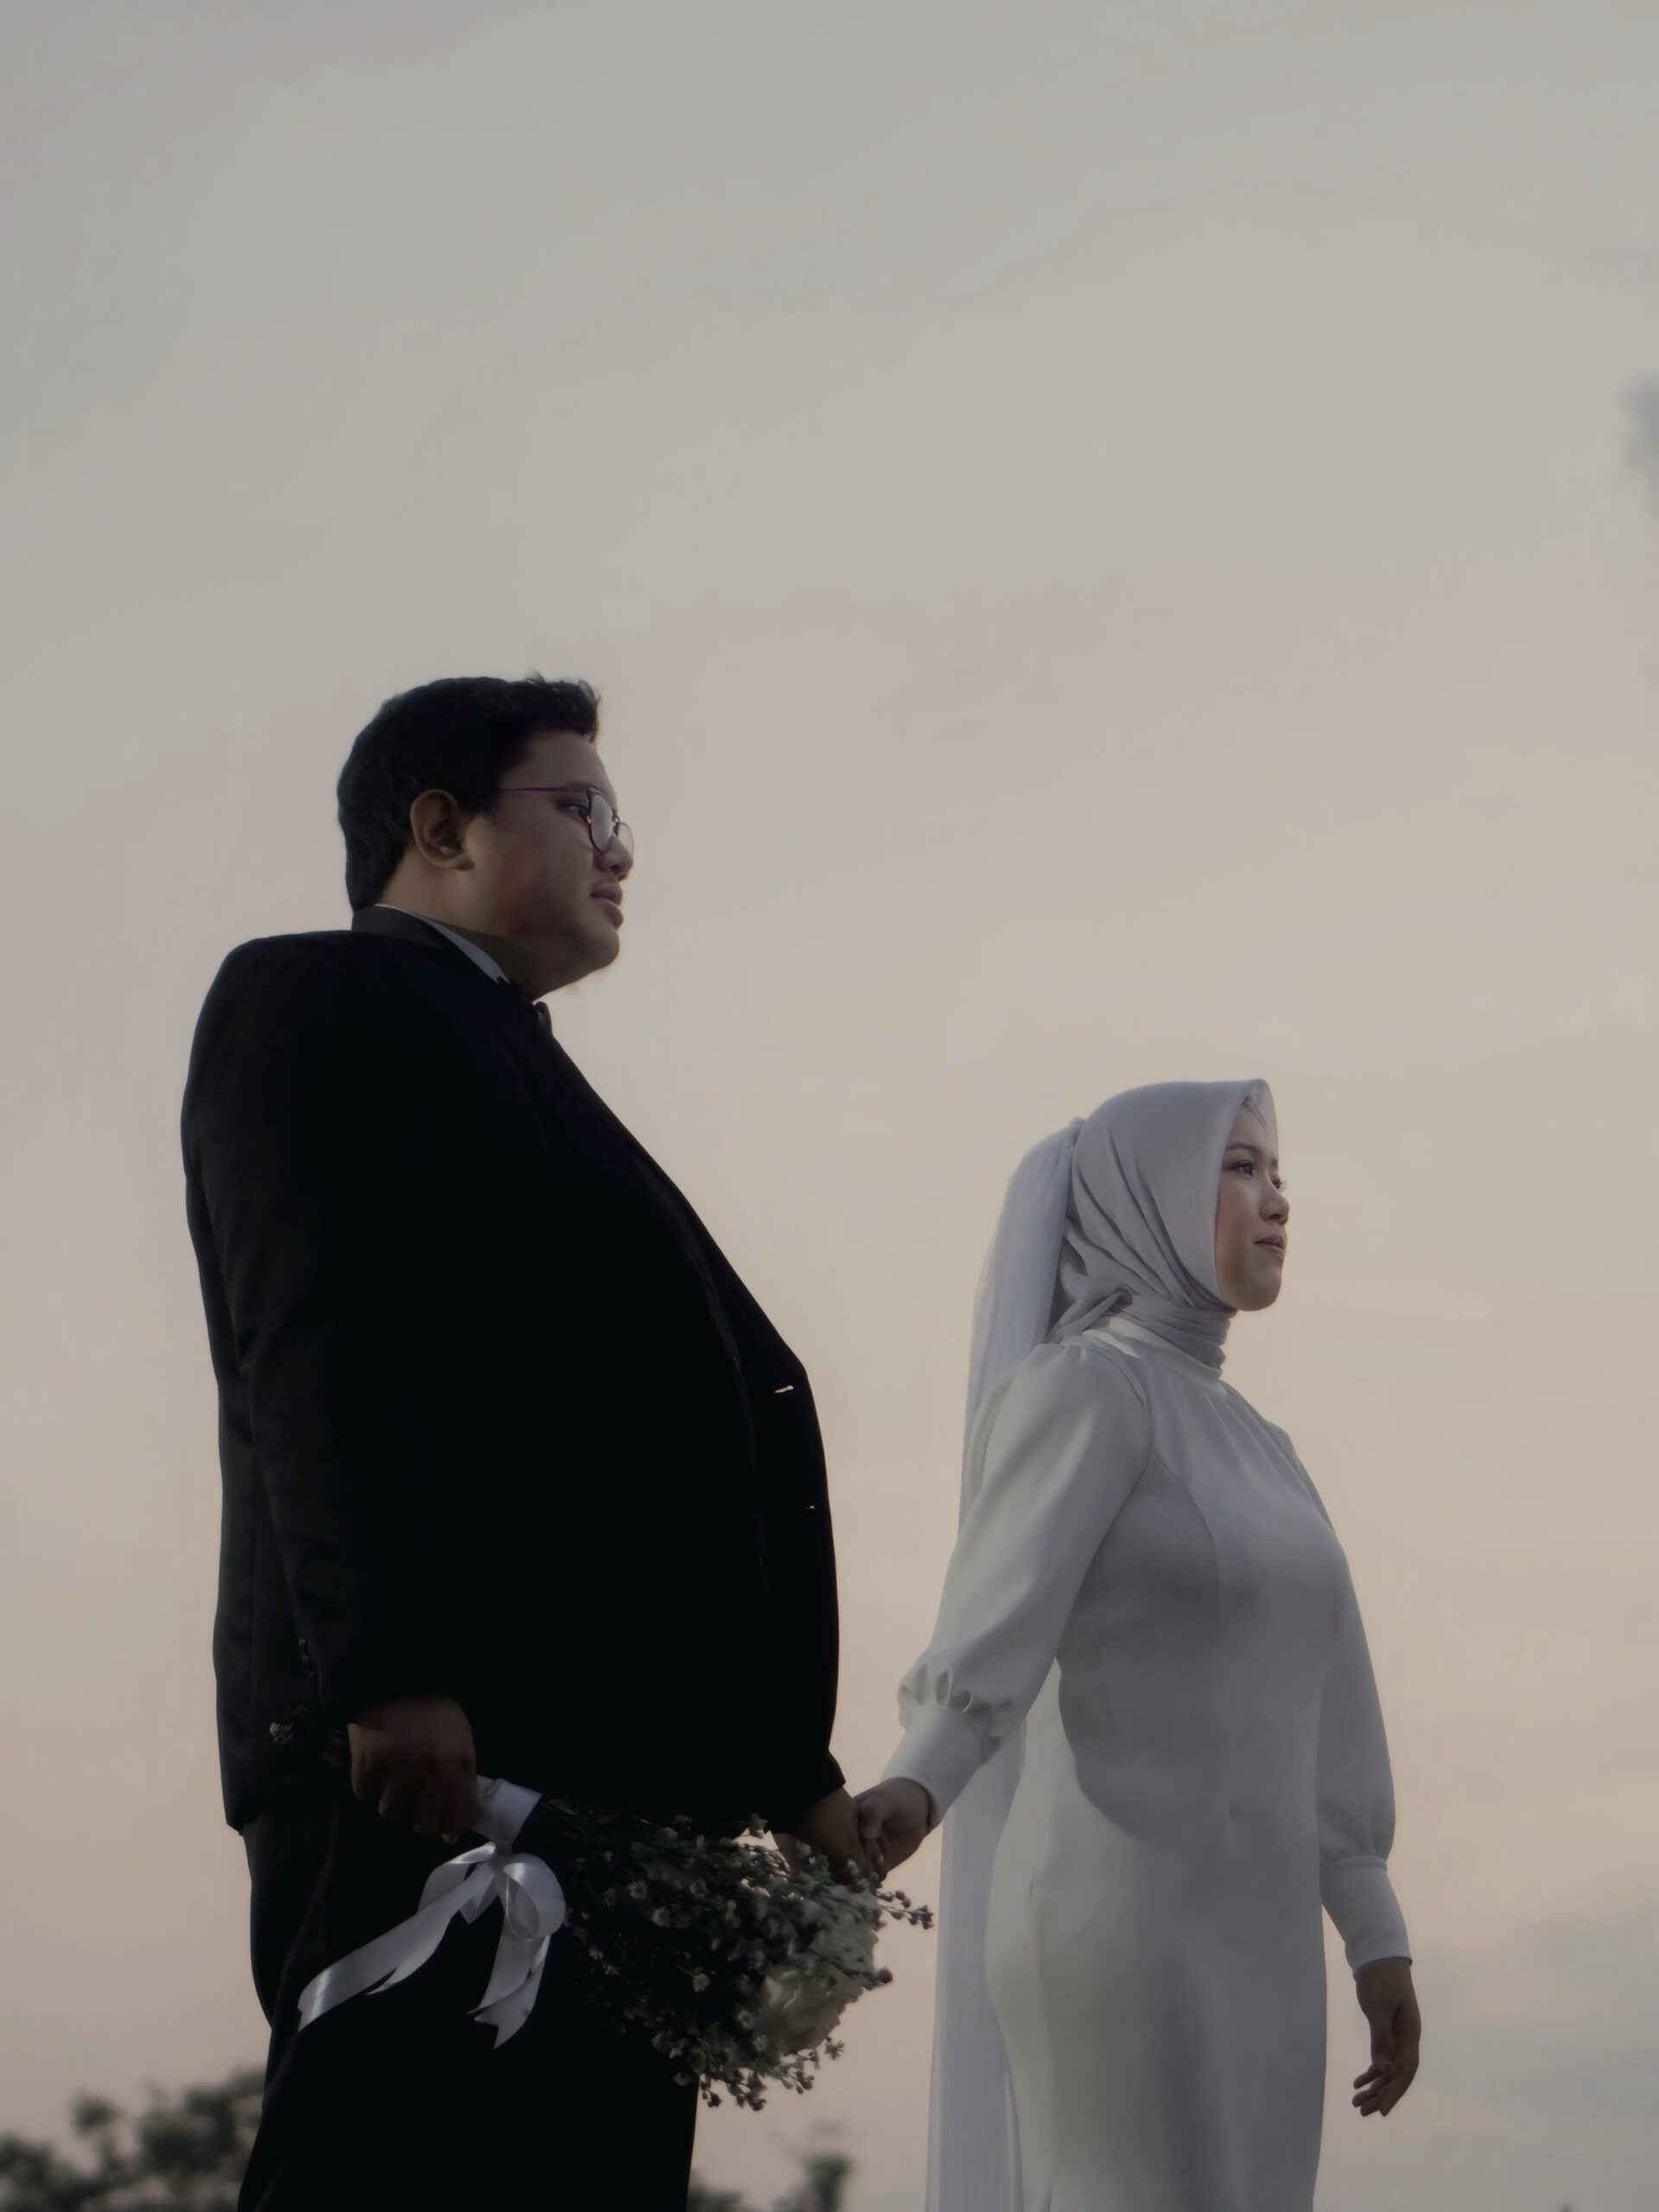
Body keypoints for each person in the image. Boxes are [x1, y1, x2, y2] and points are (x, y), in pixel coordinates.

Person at [180, 674, 870, 2211]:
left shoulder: (520, 1055)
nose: (622, 848)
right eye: (584, 808)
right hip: (439, 1773)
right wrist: (386, 1669)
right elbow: (318, 1337)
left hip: (613, 1781)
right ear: (440, 828)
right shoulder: (320, 999)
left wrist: (786, 1773)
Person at [853, 1080, 1420, 2212]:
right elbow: (995, 1620)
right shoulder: (1085, 1390)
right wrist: (918, 1782)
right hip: (1122, 1918)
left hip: (1262, 1940)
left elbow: (1334, 1700)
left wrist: (1374, 1933)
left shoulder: (1267, 1448)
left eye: (1279, 1174)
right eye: (1239, 1168)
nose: (1277, 1201)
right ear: (1145, 1197)